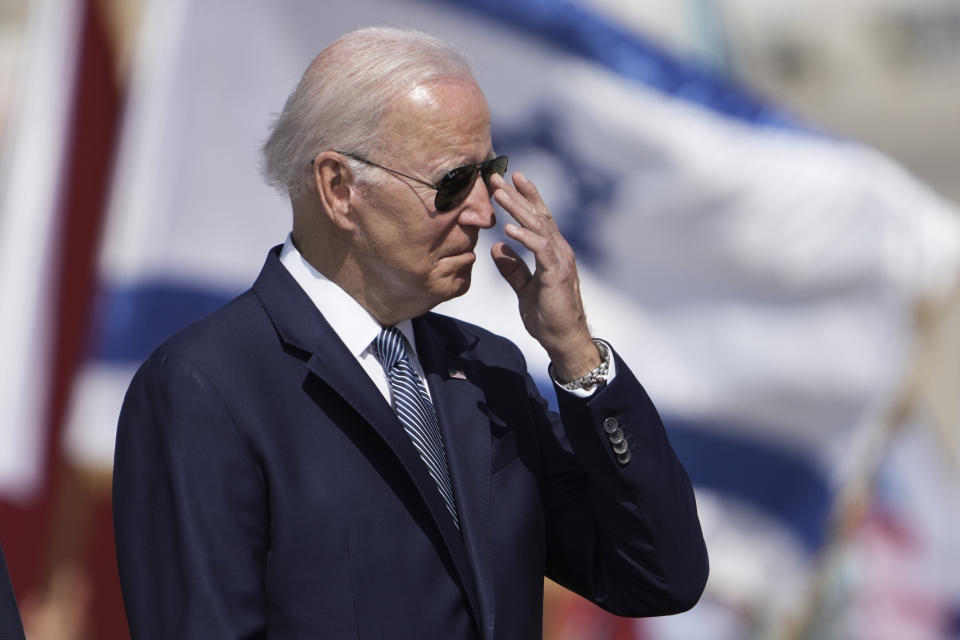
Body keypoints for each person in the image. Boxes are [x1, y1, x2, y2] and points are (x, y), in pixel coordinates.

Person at [113, 26, 708, 639]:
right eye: (452, 182)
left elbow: (661, 575)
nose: (483, 212)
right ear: (339, 189)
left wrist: (578, 356)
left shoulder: (486, 372)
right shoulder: (206, 386)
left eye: (490, 173)